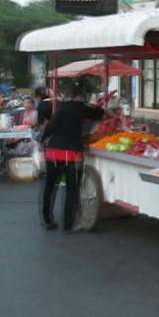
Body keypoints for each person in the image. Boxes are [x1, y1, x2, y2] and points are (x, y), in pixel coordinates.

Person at [39, 88, 104, 232]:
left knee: (50, 186)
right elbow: (99, 114)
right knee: (71, 189)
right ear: (82, 97)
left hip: (53, 152)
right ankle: (68, 224)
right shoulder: (82, 109)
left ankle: (47, 219)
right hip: (71, 154)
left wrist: (43, 139)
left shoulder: (62, 108)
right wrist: (99, 105)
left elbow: (50, 127)